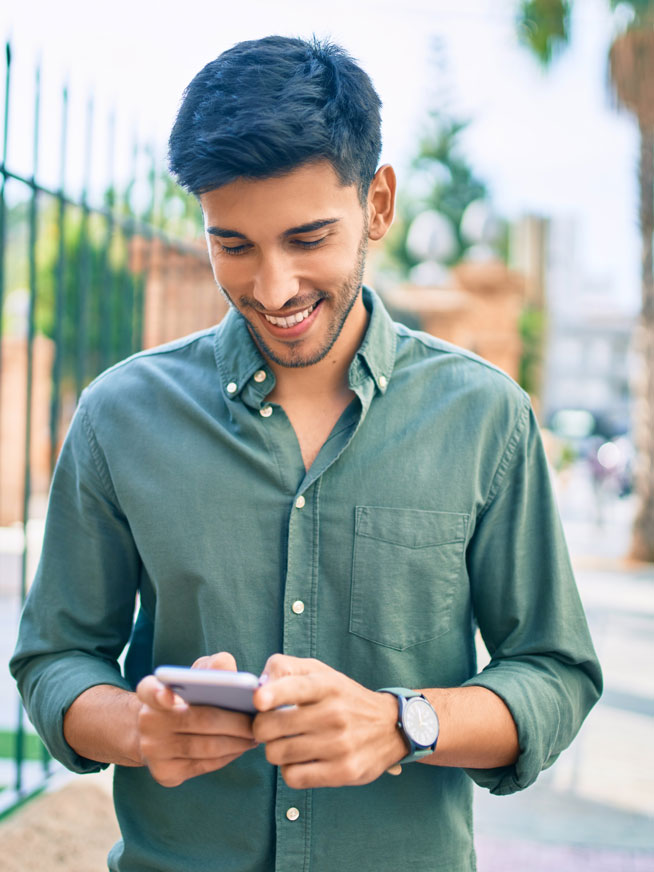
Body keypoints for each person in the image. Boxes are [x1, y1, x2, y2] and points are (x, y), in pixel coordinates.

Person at [11, 35, 602, 872]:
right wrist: (138, 729)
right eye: (234, 245)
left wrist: (402, 723)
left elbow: (556, 671)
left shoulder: (486, 418)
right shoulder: (118, 416)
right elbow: (54, 659)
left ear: (379, 204)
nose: (274, 288)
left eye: (308, 237)